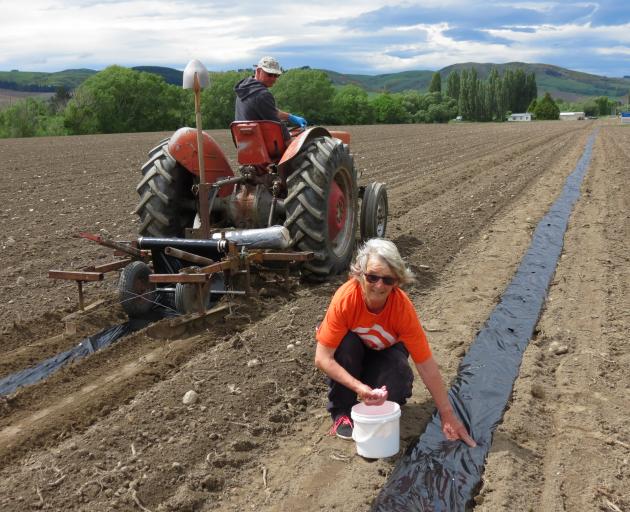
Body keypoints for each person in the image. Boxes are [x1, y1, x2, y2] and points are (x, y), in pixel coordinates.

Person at [314, 238, 476, 447]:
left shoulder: (402, 310)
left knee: (398, 379)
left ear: (397, 282)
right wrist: (358, 386)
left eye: (388, 280)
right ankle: (342, 412)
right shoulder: (346, 299)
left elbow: (426, 365)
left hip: (385, 350)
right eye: (372, 277)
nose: (379, 285)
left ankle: (374, 397)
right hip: (352, 351)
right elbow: (322, 358)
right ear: (360, 274)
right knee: (346, 346)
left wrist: (447, 414)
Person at [234, 56, 307, 140]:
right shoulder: (263, 94)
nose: (273, 78)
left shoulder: (244, 89)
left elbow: (270, 111)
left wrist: (291, 117)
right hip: (264, 144)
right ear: (258, 71)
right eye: (269, 74)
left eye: (276, 75)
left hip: (245, 142)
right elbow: (277, 126)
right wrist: (289, 141)